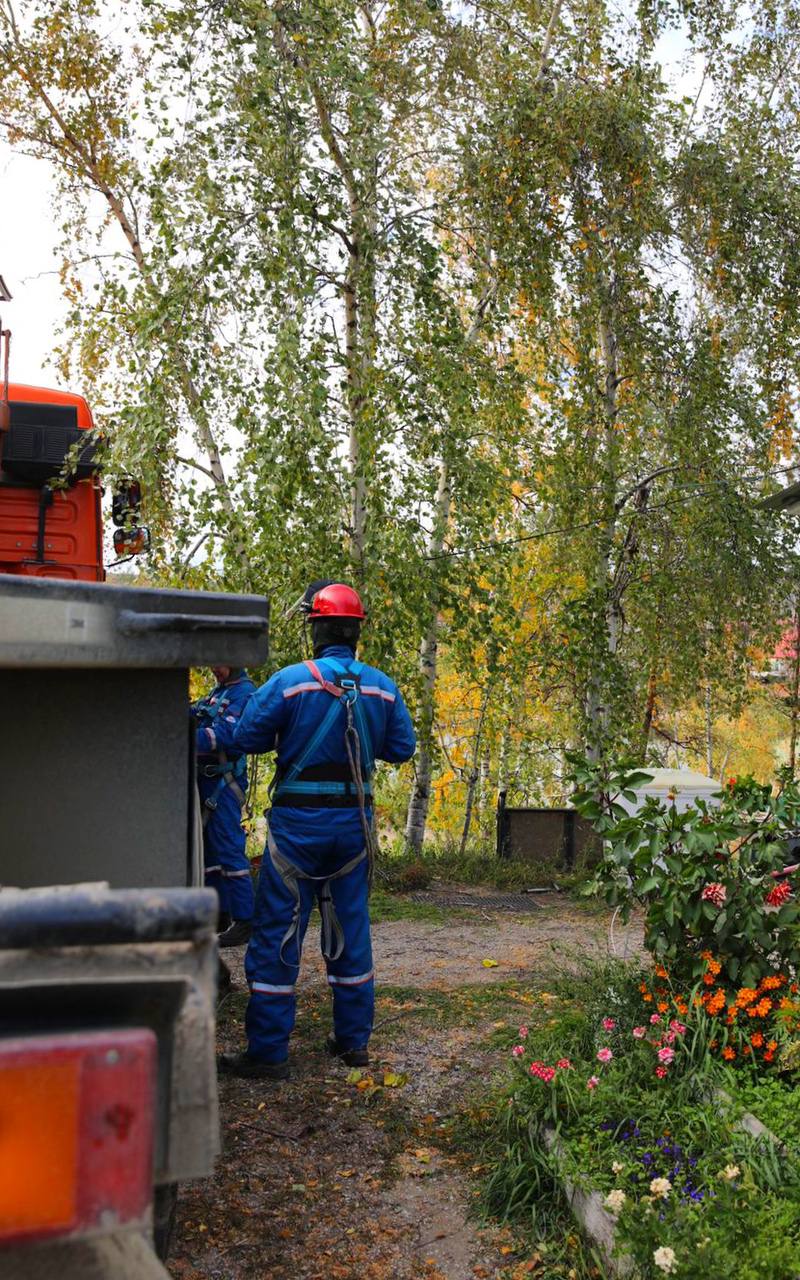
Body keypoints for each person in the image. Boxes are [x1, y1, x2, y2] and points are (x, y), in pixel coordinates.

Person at [219, 581, 416, 1079]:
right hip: (353, 829)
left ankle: (268, 1052)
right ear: (355, 633)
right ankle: (353, 1044)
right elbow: (402, 748)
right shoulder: (381, 686)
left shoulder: (290, 682)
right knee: (350, 932)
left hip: (298, 832)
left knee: (277, 936)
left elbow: (245, 737)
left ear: (316, 629)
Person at [193, 665, 256, 948]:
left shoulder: (245, 694)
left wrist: (186, 735)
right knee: (209, 853)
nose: (213, 669)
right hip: (205, 782)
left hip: (223, 784)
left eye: (218, 663)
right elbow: (197, 714)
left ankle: (245, 919)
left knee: (229, 848)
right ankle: (219, 913)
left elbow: (230, 734)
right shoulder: (218, 693)